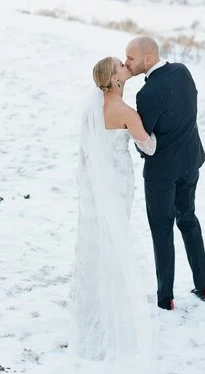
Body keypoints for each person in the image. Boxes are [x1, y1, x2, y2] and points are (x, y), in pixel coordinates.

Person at [68, 57, 157, 371]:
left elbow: (84, 150)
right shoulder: (124, 111)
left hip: (95, 185)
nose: (126, 66)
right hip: (117, 183)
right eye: (121, 65)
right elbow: (149, 147)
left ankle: (94, 305)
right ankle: (113, 307)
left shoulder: (93, 110)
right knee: (115, 241)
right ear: (115, 79)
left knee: (99, 240)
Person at [125, 36, 205, 311]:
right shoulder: (183, 72)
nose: (127, 62)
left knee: (162, 229)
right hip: (191, 161)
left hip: (162, 172)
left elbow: (145, 140)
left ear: (147, 59)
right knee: (188, 218)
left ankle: (166, 298)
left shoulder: (146, 94)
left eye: (130, 58)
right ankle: (204, 286)